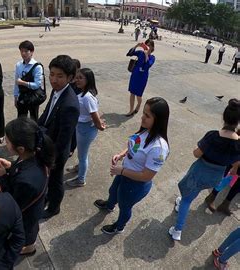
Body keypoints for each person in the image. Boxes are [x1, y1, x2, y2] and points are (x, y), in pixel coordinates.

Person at [95, 97, 170, 235]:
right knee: (113, 191)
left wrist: (122, 170)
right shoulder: (146, 130)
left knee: (125, 206)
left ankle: (119, 226)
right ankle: (110, 205)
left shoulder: (158, 148)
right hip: (124, 174)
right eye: (143, 113)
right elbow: (134, 146)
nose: (142, 118)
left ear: (158, 120)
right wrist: (121, 155)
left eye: (147, 116)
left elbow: (147, 176)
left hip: (135, 184)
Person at [169, 99, 240, 241]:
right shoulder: (238, 143)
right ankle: (182, 200)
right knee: (195, 191)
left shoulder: (213, 136)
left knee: (187, 200)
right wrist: (232, 168)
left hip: (200, 171)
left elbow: (196, 153)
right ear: (238, 122)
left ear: (224, 117)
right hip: (216, 176)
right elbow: (236, 162)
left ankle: (178, 229)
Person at [0, 117, 55, 255]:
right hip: (33, 203)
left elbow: (13, 203)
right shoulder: (33, 154)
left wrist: (3, 177)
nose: (5, 144)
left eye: (7, 142)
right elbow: (22, 168)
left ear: (20, 149)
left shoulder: (27, 181)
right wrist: (10, 167)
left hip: (27, 213)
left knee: (27, 231)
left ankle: (29, 247)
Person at [38, 55, 79, 219]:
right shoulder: (57, 91)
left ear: (70, 78)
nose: (53, 79)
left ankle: (54, 207)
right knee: (49, 180)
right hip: (48, 144)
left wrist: (50, 159)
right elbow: (46, 114)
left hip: (56, 152)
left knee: (55, 180)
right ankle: (48, 197)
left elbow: (63, 139)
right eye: (51, 74)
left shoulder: (70, 104)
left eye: (59, 76)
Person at [66, 68, 106, 187]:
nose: (77, 80)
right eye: (76, 77)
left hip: (85, 130)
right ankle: (79, 167)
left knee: (82, 156)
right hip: (82, 127)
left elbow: (94, 114)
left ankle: (80, 180)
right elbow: (94, 112)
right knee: (82, 153)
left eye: (80, 78)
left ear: (88, 80)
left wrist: (100, 125)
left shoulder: (87, 97)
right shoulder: (84, 93)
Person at [14, 40, 44, 121]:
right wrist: (15, 96)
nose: (23, 53)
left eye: (26, 51)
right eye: (21, 51)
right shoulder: (19, 65)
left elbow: (37, 85)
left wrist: (23, 83)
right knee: (21, 119)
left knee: (33, 119)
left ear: (32, 52)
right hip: (22, 96)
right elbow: (16, 82)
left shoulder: (37, 67)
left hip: (33, 97)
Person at [125, 39, 156, 117]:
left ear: (152, 47)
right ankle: (131, 110)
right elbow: (129, 53)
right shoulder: (140, 53)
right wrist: (136, 46)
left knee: (138, 95)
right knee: (132, 92)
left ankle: (138, 104)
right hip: (135, 74)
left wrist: (146, 55)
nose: (147, 47)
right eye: (146, 45)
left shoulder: (152, 57)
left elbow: (148, 65)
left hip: (142, 77)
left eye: (149, 45)